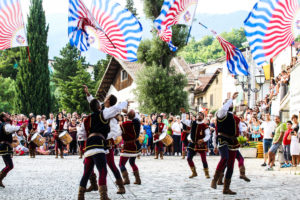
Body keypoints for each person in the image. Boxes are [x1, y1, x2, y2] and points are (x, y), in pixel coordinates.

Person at [78, 98, 127, 200]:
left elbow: (81, 134)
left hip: (94, 145)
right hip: (100, 144)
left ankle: (80, 195)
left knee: (92, 170)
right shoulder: (104, 113)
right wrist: (126, 102)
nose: (104, 100)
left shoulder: (87, 118)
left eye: (107, 99)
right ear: (100, 107)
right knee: (102, 171)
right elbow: (115, 108)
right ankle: (102, 195)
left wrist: (90, 137)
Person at [211, 92, 240, 195]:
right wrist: (231, 99)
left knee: (231, 165)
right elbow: (215, 132)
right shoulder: (221, 113)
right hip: (222, 139)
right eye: (228, 103)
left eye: (231, 103)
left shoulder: (233, 117)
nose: (230, 104)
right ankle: (215, 179)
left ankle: (226, 188)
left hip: (232, 141)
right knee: (225, 158)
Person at [181, 108, 210, 179]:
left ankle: (207, 173)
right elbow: (184, 121)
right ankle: (194, 172)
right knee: (188, 158)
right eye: (198, 115)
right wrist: (184, 113)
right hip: (192, 143)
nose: (199, 116)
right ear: (196, 116)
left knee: (203, 159)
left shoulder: (205, 126)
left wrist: (203, 140)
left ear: (203, 117)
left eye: (201, 115)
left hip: (201, 144)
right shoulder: (192, 123)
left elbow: (208, 135)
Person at [0, 112, 26, 188]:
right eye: (7, 115)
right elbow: (11, 129)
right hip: (5, 147)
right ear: (4, 118)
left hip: (5, 146)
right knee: (9, 165)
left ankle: (0, 179)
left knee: (9, 165)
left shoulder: (4, 124)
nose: (9, 115)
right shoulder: (5, 125)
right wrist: (20, 126)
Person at [119, 110, 142, 185]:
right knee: (132, 162)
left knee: (121, 164)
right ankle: (138, 180)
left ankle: (126, 180)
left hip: (127, 146)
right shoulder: (137, 123)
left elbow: (118, 134)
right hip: (135, 145)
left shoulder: (123, 125)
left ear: (127, 116)